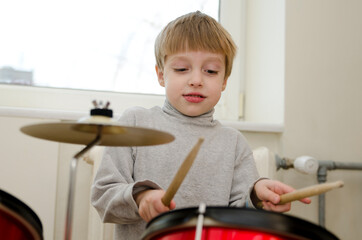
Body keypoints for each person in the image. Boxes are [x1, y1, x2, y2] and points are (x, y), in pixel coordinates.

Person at [91, 11, 310, 240]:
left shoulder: (233, 143)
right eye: (182, 69)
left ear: (224, 80)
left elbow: (238, 218)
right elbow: (103, 195)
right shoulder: (135, 123)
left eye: (211, 71)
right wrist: (140, 198)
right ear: (161, 75)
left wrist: (256, 196)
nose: (196, 80)